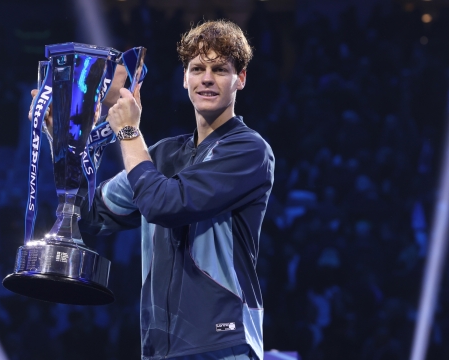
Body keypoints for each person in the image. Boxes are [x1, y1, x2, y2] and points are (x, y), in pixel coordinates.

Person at [32, 19, 274, 360]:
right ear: (185, 78)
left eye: (220, 69)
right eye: (197, 68)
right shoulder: (161, 154)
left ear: (241, 78)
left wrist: (129, 133)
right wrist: (65, 142)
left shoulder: (248, 150)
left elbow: (166, 205)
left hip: (222, 343)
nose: (206, 78)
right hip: (160, 347)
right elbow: (91, 216)